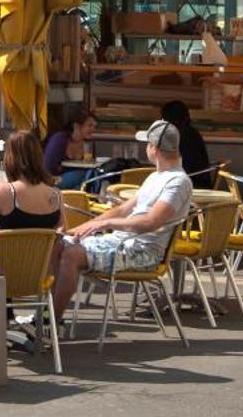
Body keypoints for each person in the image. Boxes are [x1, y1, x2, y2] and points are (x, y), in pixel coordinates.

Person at [54, 120, 193, 319]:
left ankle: (52, 320)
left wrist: (104, 224)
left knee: (71, 255)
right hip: (122, 242)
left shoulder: (178, 182)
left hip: (143, 252)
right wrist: (82, 228)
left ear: (153, 148)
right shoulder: (156, 176)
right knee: (56, 245)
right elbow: (123, 209)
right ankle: (46, 316)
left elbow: (150, 222)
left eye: (147, 144)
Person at [0, 131, 65, 239]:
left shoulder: (5, 192)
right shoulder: (55, 194)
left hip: (7, 255)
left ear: (10, 157)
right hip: (43, 255)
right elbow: (61, 231)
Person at [44, 105, 99, 191]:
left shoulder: (88, 144)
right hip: (54, 180)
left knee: (92, 178)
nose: (93, 129)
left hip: (79, 182)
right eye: (89, 125)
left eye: (94, 126)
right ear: (76, 126)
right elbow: (48, 167)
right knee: (81, 176)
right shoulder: (60, 139)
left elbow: (92, 165)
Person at [160, 99, 211, 182]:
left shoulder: (179, 136)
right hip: (198, 180)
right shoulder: (191, 132)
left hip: (191, 183)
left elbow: (185, 166)